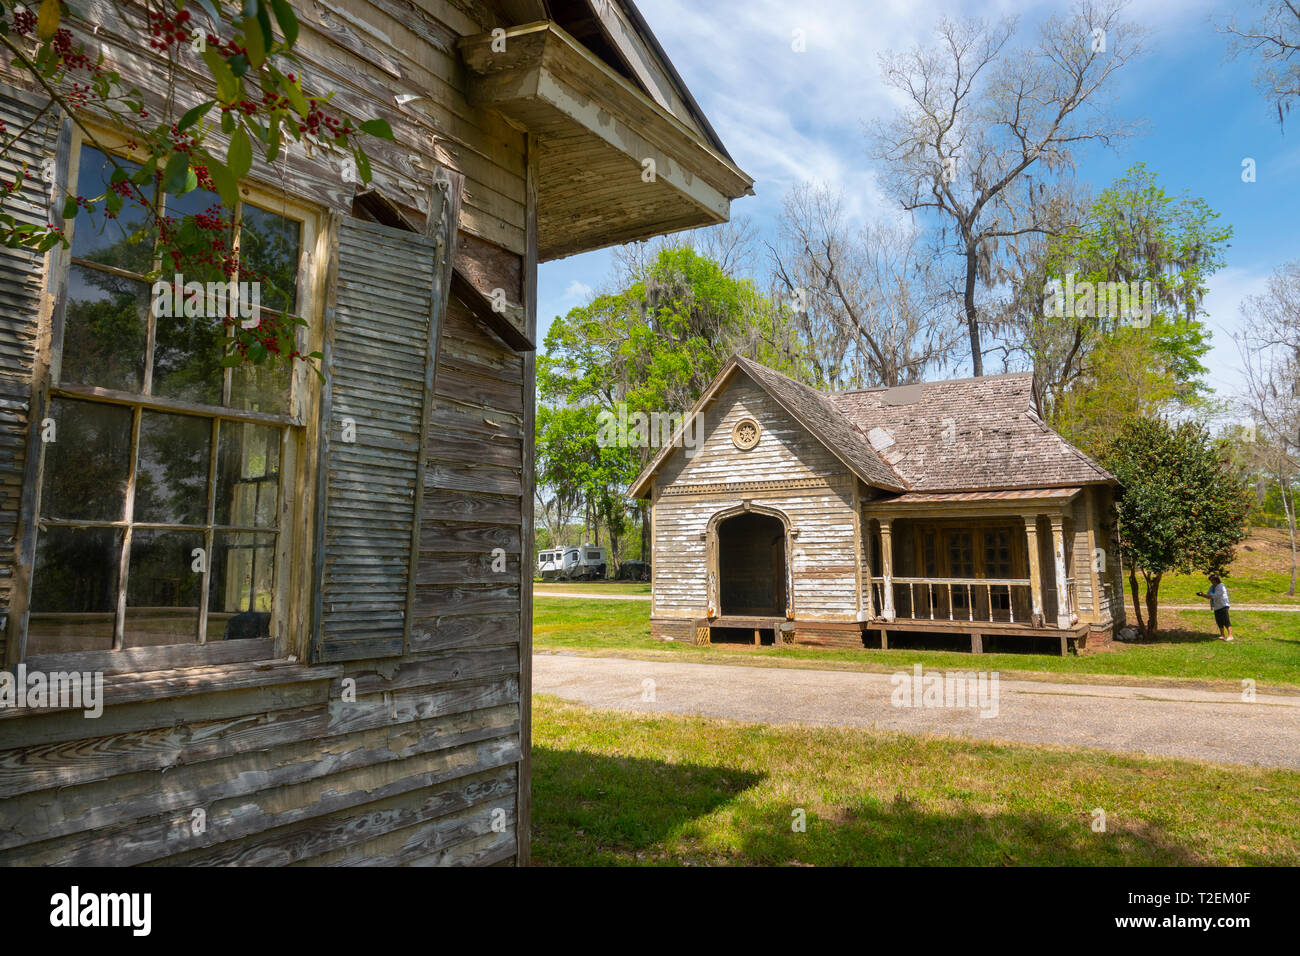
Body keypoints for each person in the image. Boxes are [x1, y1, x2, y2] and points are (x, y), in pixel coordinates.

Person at [1195, 575, 1234, 642]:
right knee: (1219, 621)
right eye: (1210, 580)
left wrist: (1208, 595)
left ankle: (1230, 636)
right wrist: (1202, 595)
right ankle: (1222, 635)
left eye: (1212, 580)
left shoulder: (1221, 586)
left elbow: (1216, 595)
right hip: (1216, 606)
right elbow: (1208, 596)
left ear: (1216, 580)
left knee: (1226, 620)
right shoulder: (1212, 587)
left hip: (1223, 605)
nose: (1211, 582)